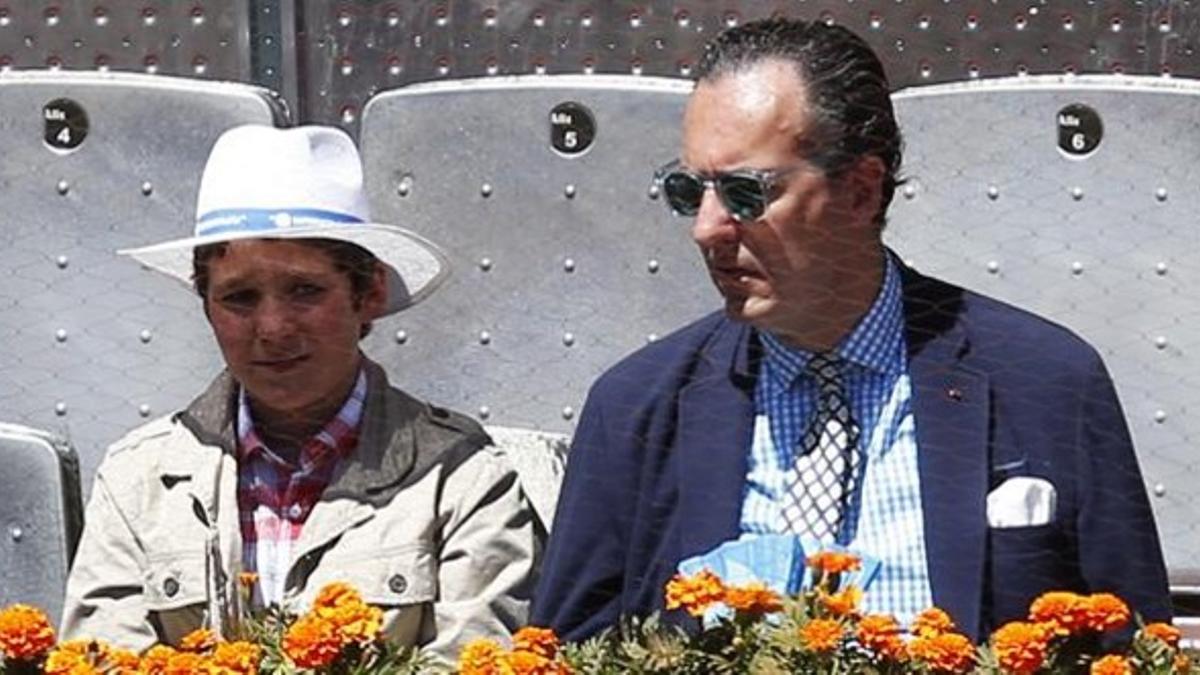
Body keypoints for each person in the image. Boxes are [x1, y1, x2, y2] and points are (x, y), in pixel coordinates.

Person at [532, 17, 1171, 642]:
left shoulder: (1043, 381)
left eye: (746, 195)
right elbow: (564, 651)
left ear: (862, 191)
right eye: (687, 191)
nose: (706, 227)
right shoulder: (638, 408)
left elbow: (1137, 648)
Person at [61, 124, 540, 659]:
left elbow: (478, 663)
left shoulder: (462, 478)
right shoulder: (139, 480)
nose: (273, 328)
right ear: (207, 308)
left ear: (369, 293)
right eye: (240, 298)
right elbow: (97, 661)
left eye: (305, 291)